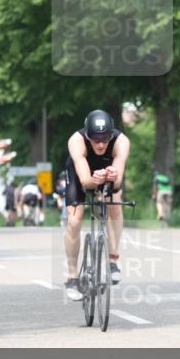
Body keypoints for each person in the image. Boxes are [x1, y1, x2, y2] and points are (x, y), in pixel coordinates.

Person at [63, 110, 130, 301]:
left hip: (108, 172)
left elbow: (117, 184)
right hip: (80, 174)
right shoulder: (76, 141)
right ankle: (73, 276)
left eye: (105, 139)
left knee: (114, 206)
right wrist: (94, 180)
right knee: (74, 221)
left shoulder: (121, 142)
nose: (100, 144)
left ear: (111, 135)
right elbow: (85, 182)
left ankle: (113, 261)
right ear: (87, 135)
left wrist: (112, 178)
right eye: (95, 139)